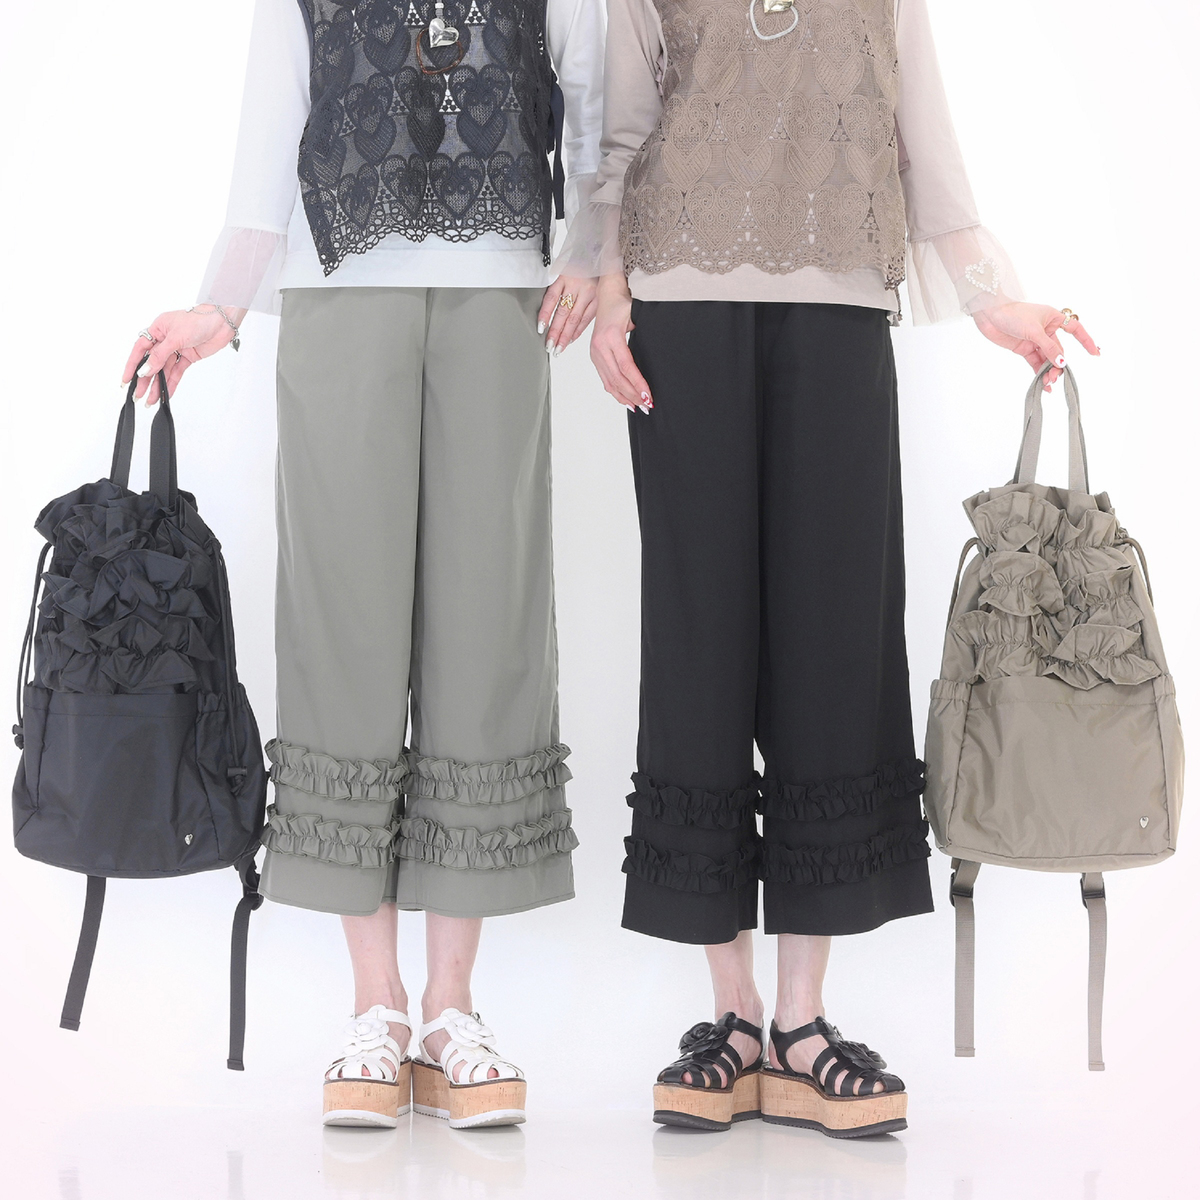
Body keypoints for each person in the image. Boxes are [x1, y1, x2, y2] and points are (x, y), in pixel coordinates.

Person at [559, 0, 1098, 1135]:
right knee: (701, 641)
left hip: (841, 305)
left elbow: (919, 127)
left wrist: (988, 291)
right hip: (680, 307)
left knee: (835, 638)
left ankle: (801, 1025)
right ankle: (734, 1013)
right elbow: (624, 131)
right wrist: (609, 293)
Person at [123, 0, 604, 1130]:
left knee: (487, 629)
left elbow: (589, 97)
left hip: (506, 294)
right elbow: (271, 127)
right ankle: (376, 1006)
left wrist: (591, 251)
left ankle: (450, 1009)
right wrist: (222, 305)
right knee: (343, 628)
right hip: (335, 295)